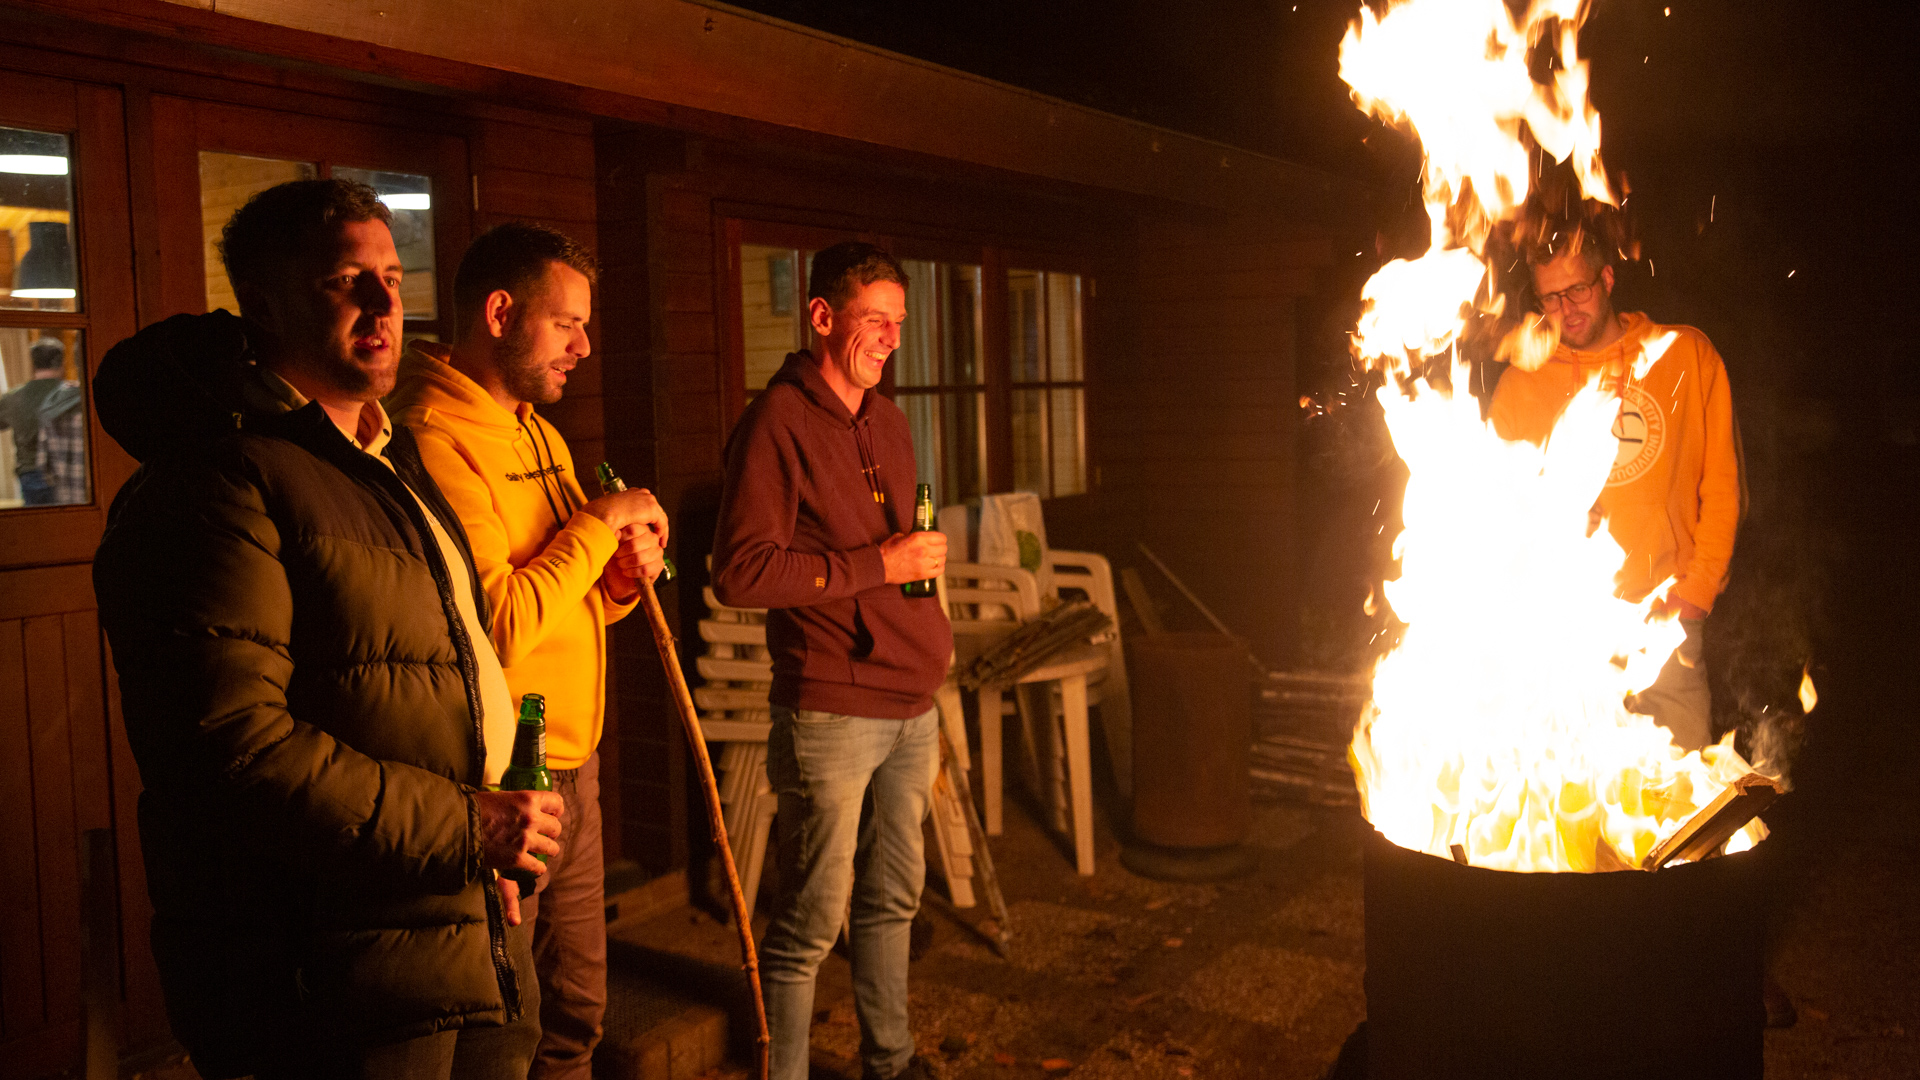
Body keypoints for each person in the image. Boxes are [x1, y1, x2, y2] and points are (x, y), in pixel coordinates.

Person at [92, 179, 562, 1080]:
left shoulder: (386, 463)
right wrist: (471, 828)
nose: (386, 301)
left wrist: (491, 844)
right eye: (347, 280)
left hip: (458, 923)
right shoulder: (219, 486)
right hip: (325, 980)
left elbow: (435, 672)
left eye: (392, 273)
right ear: (265, 302)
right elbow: (234, 751)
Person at [389, 222, 668, 1080]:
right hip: (506, 780)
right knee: (507, 1021)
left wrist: (622, 579)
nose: (585, 346)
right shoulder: (435, 437)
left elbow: (571, 602)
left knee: (579, 1008)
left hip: (574, 764)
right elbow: (498, 624)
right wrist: (597, 526)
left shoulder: (540, 433)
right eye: (567, 324)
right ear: (501, 312)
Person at [712, 242, 953, 1080]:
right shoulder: (776, 422)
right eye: (875, 321)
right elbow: (741, 571)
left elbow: (894, 552)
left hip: (911, 702)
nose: (891, 339)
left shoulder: (885, 419)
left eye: (899, 324)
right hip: (833, 709)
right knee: (812, 920)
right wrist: (878, 565)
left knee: (893, 899)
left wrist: (917, 581)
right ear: (821, 316)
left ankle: (891, 1061)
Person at [1490, 229, 1744, 750]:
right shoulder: (1521, 384)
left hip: (1663, 626)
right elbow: (1498, 512)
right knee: (1573, 817)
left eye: (1578, 290)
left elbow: (1721, 487)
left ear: (1607, 278)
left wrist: (1694, 595)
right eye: (1551, 298)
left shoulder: (1684, 355)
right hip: (1563, 643)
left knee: (1680, 812)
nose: (1567, 309)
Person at [0, 336, 69, 504]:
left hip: (30, 473)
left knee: (36, 527)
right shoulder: (72, 395)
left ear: (33, 363)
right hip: (66, 471)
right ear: (61, 362)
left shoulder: (13, 398)